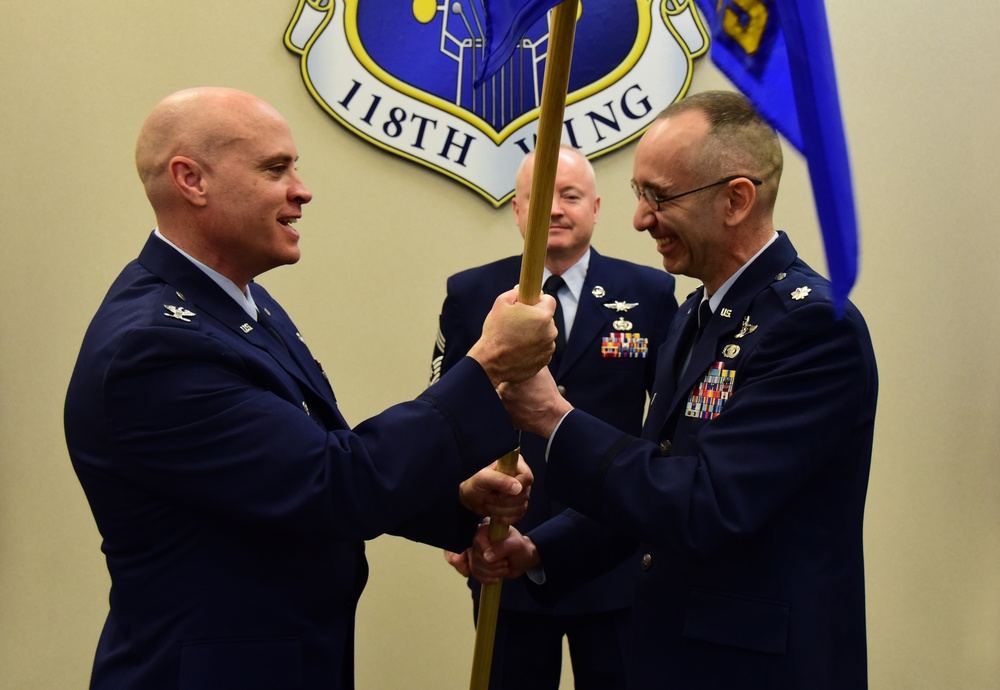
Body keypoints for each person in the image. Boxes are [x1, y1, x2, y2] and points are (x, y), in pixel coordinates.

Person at [63, 86, 558, 690]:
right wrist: (488, 366)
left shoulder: (240, 304)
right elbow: (333, 485)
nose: (303, 189)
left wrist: (454, 501)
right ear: (191, 179)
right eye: (276, 169)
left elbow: (295, 470)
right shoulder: (155, 347)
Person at [474, 91, 879, 689]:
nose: (640, 220)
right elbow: (656, 481)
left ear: (736, 200)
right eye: (641, 194)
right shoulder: (698, 315)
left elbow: (705, 505)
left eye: (659, 197)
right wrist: (541, 551)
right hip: (673, 655)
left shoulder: (814, 328)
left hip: (754, 669)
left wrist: (555, 419)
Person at [430, 146, 677, 689]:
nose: (557, 210)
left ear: (595, 207)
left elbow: (666, 425)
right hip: (504, 544)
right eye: (541, 198)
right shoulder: (472, 293)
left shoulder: (651, 292)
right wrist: (452, 520)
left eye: (570, 196)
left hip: (614, 550)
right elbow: (442, 416)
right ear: (518, 210)